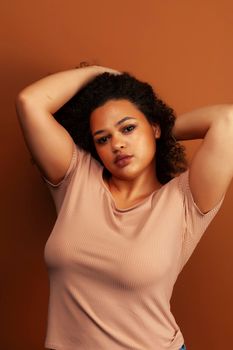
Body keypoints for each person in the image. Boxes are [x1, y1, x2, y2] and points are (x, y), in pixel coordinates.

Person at [15, 63, 233, 350]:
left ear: (154, 128)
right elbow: (29, 103)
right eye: (103, 139)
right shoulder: (76, 177)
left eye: (128, 128)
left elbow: (228, 119)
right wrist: (97, 72)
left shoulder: (185, 199)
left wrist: (158, 128)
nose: (117, 144)